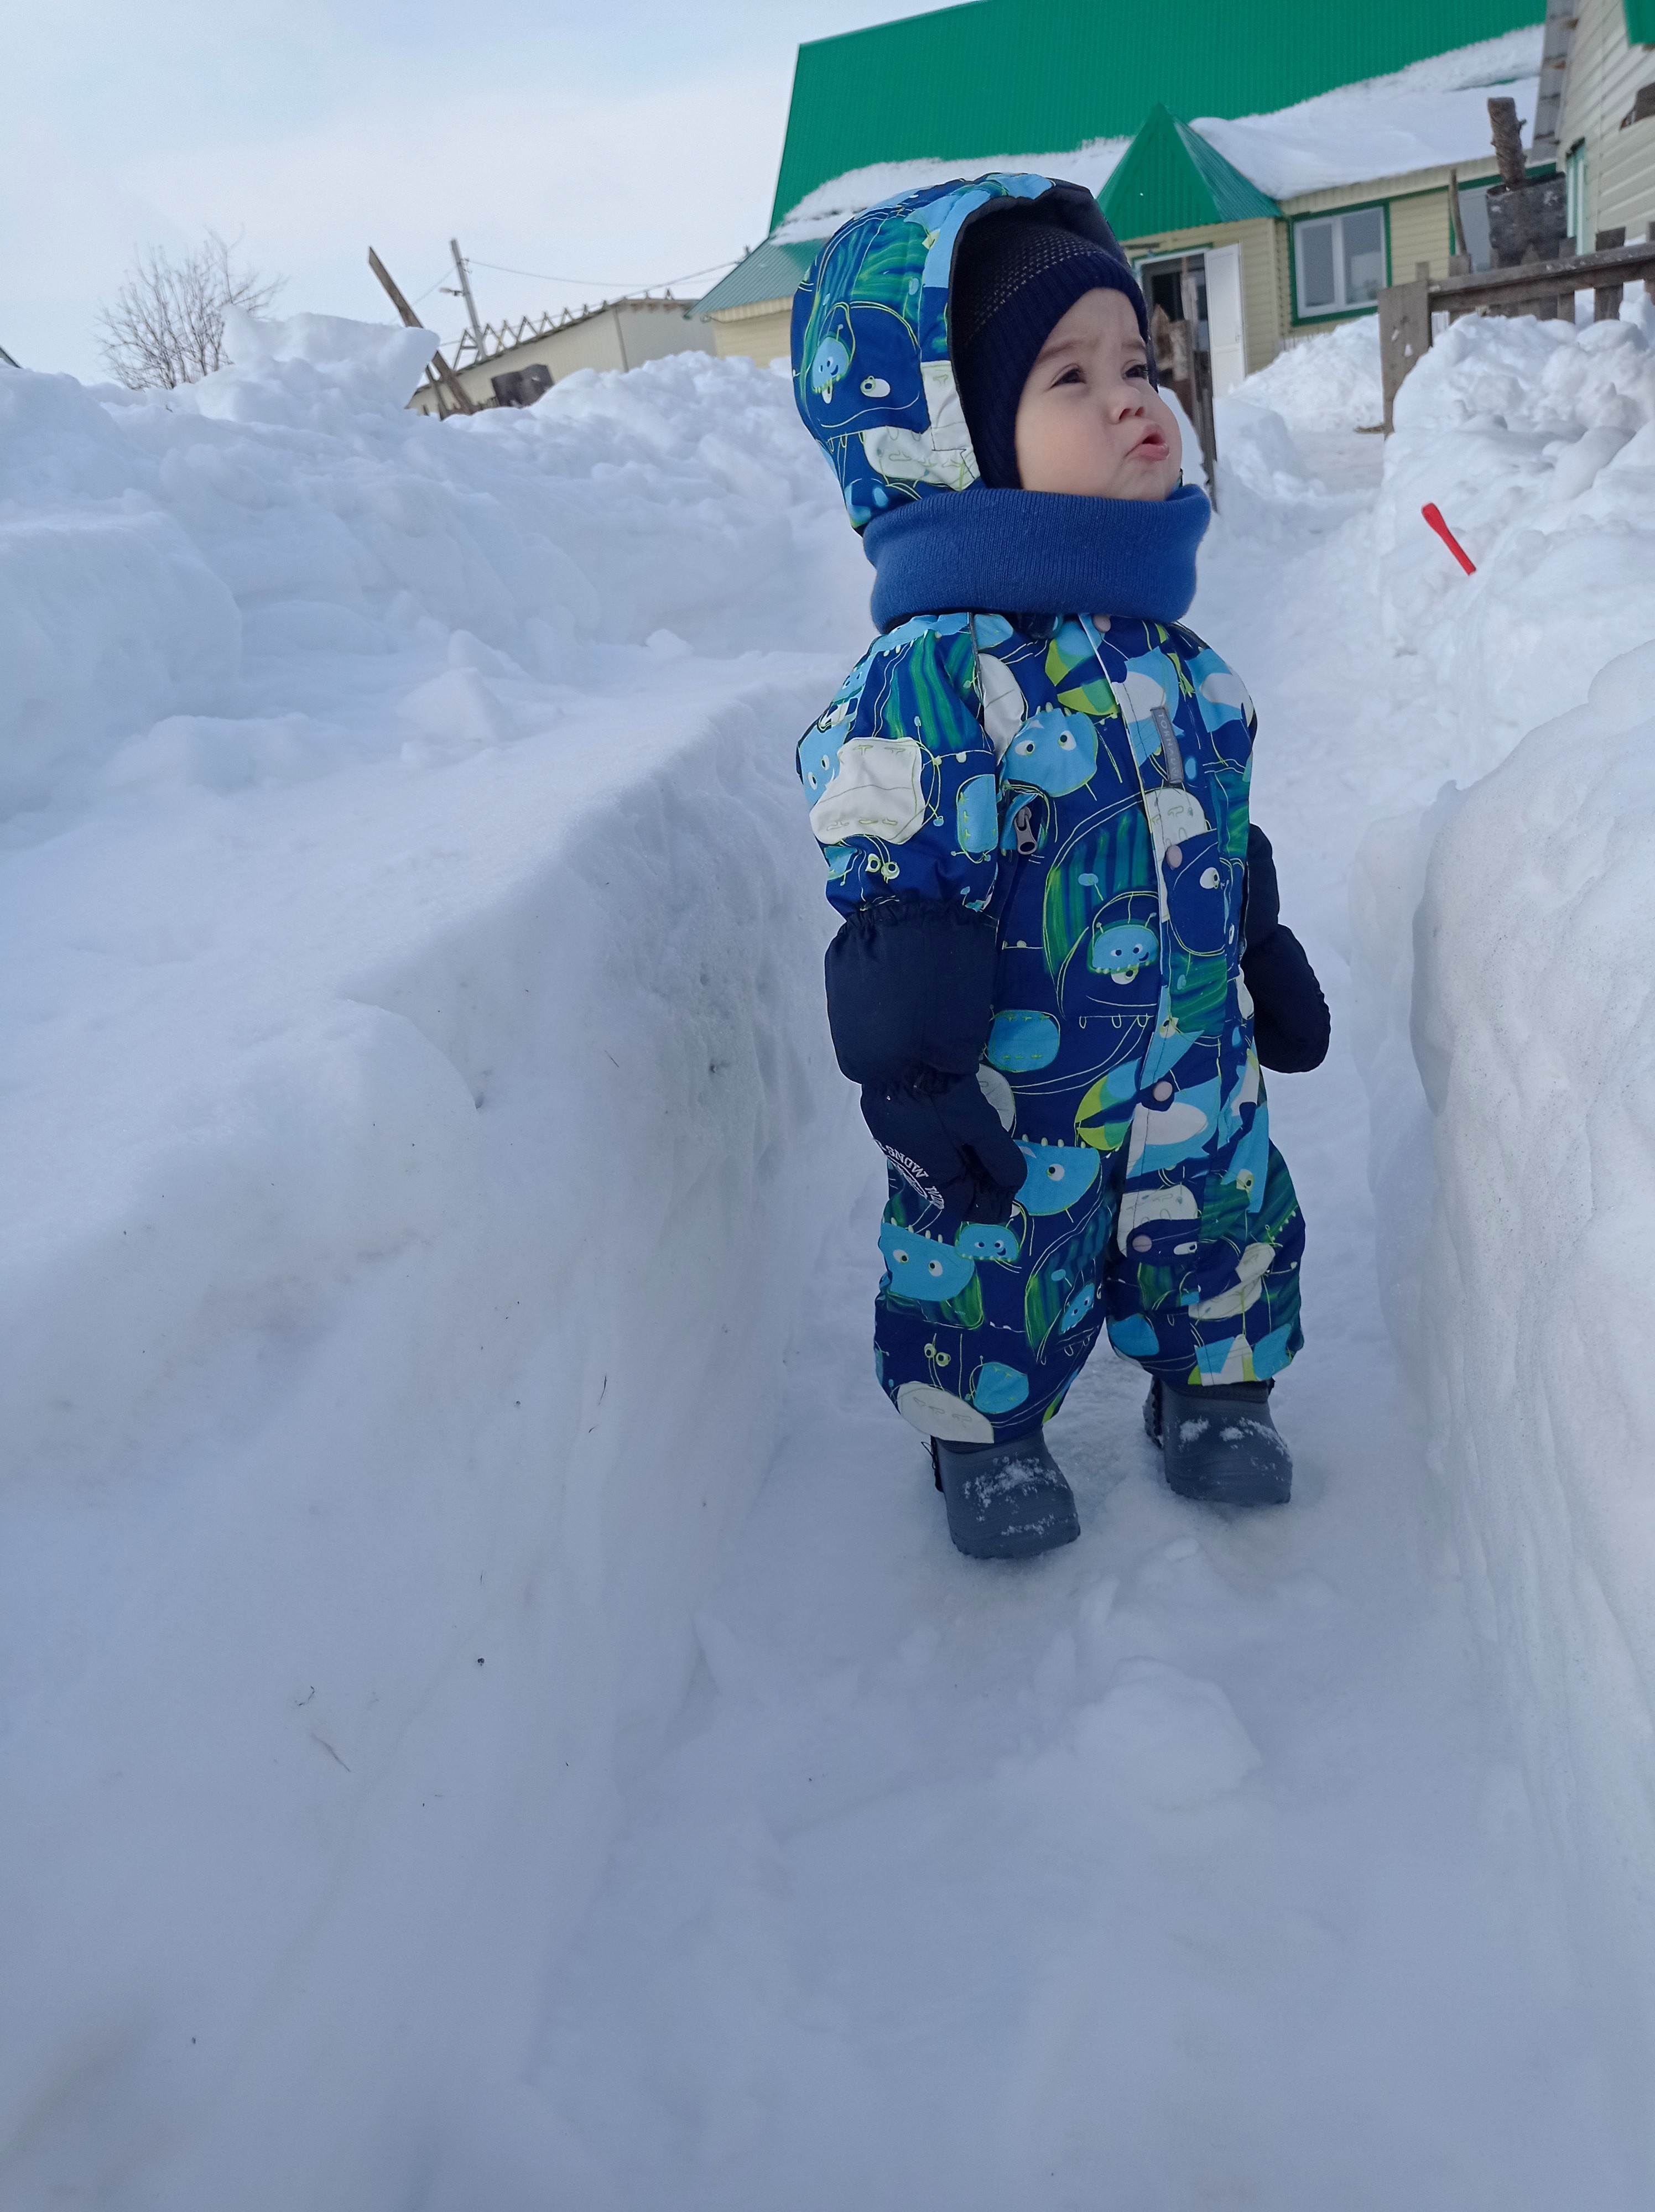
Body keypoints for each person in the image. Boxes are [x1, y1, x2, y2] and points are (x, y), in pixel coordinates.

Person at [791, 176, 1329, 1561]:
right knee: (989, 1251)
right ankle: (984, 1427)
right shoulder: (936, 676)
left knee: (1214, 1210)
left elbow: (1220, 824)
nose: (1132, 397)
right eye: (1070, 374)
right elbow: (896, 891)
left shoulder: (1183, 658)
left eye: (1139, 363)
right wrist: (910, 1072)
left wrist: (1259, 944)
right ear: (955, 440)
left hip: (1194, 1068)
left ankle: (1215, 1380)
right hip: (1015, 1095)